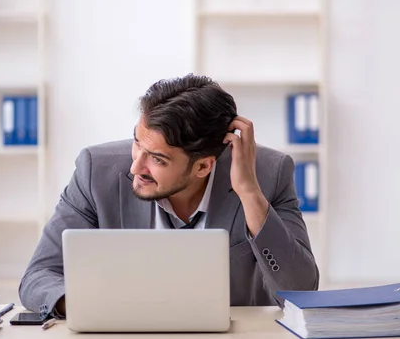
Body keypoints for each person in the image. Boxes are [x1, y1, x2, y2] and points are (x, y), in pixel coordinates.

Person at [18, 73, 319, 318]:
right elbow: (39, 276)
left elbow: (300, 292)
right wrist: (93, 308)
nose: (136, 166)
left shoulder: (269, 174)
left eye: (158, 160)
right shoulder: (95, 171)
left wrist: (250, 194)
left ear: (203, 166)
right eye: (137, 143)